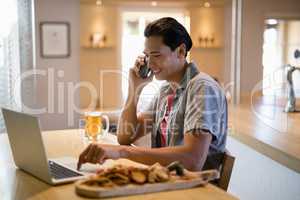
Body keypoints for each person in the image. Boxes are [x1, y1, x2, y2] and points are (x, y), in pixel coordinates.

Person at [77, 17, 228, 171]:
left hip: (194, 191)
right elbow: (125, 136)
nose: (149, 63)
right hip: (167, 181)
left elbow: (192, 160)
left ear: (181, 51)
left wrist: (123, 152)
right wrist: (134, 89)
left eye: (156, 55)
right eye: (147, 56)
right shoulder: (166, 91)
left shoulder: (202, 88)